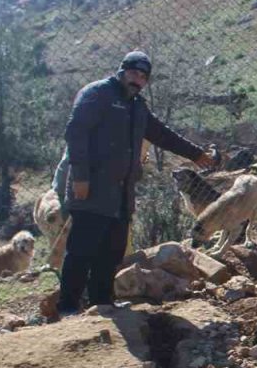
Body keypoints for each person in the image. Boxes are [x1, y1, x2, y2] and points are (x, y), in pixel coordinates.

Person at [58, 50, 213, 315]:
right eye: (133, 72)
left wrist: (196, 154)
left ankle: (102, 302)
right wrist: (80, 177)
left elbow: (162, 135)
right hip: (92, 189)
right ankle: (68, 307)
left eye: (143, 76)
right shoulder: (97, 94)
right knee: (82, 249)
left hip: (121, 194)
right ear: (121, 70)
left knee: (112, 250)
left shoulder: (137, 106)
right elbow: (76, 132)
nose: (137, 79)